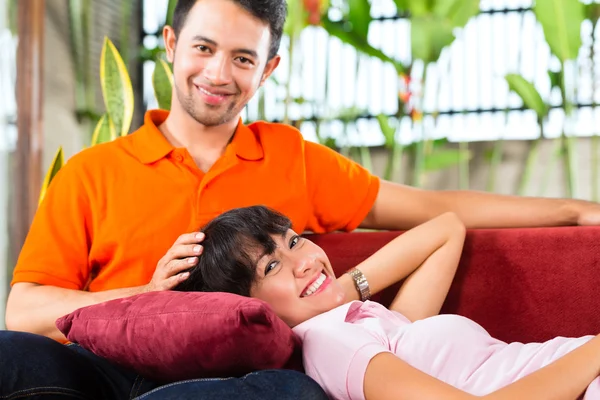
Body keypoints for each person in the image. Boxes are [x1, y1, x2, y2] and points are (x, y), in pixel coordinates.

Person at [2, 0, 600, 397]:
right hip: (116, 367)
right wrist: (147, 295)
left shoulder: (293, 159)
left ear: (267, 70)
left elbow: (433, 208)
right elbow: (23, 309)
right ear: (171, 43)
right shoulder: (90, 173)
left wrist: (574, 212)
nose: (217, 73)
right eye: (203, 49)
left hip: (255, 378)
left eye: (243, 58)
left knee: (285, 391)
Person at [174, 205, 600, 400]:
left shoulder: (368, 325)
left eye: (294, 241)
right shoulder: (331, 343)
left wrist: (331, 288)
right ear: (251, 307)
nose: (302, 261)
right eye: (271, 268)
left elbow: (445, 230)